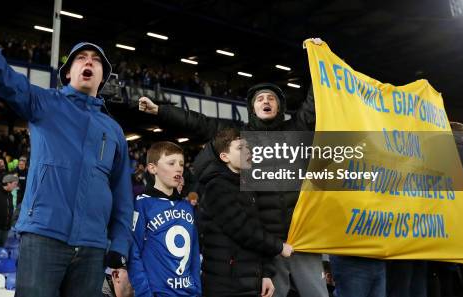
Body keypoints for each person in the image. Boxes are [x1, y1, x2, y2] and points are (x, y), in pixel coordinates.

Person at [0, 0, 133, 297]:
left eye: (95, 59)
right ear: (68, 72)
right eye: (80, 58)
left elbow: (122, 195)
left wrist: (118, 244)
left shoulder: (114, 130)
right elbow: (0, 76)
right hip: (43, 237)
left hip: (92, 246)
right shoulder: (43, 103)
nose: (88, 62)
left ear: (103, 75)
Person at [139, 74, 327, 297]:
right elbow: (200, 122)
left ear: (280, 106)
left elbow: (313, 106)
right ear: (252, 108)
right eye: (260, 99)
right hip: (268, 246)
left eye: (271, 98)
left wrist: (320, 66)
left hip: (302, 241)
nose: (265, 101)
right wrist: (161, 111)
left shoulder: (295, 131)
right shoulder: (240, 137)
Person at [199, 127, 293, 297]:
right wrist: (279, 247)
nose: (247, 151)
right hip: (226, 285)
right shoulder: (216, 187)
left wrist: (265, 274)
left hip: (249, 281)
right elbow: (243, 229)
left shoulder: (247, 186)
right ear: (224, 157)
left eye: (247, 147)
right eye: (240, 148)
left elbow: (259, 229)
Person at [128, 141, 201, 297]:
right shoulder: (142, 203)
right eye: (171, 163)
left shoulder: (187, 206)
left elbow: (194, 253)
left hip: (189, 292)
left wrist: (197, 289)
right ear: (153, 168)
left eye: (181, 164)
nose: (179, 168)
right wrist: (145, 293)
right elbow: (134, 253)